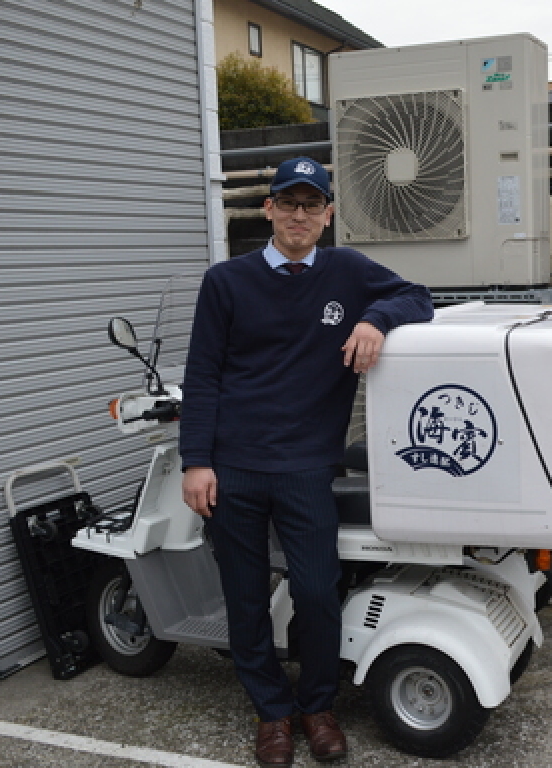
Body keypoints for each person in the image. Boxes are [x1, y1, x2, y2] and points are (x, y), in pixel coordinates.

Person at [180, 156, 433, 767]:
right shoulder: (226, 280)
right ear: (267, 209)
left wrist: (375, 318)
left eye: (311, 205)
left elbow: (417, 298)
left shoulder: (346, 272)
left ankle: (318, 706)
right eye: (287, 203)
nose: (299, 215)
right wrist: (195, 461)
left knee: (318, 592)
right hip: (232, 467)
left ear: (328, 214)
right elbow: (203, 374)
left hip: (306, 466)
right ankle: (272, 713)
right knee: (245, 598)